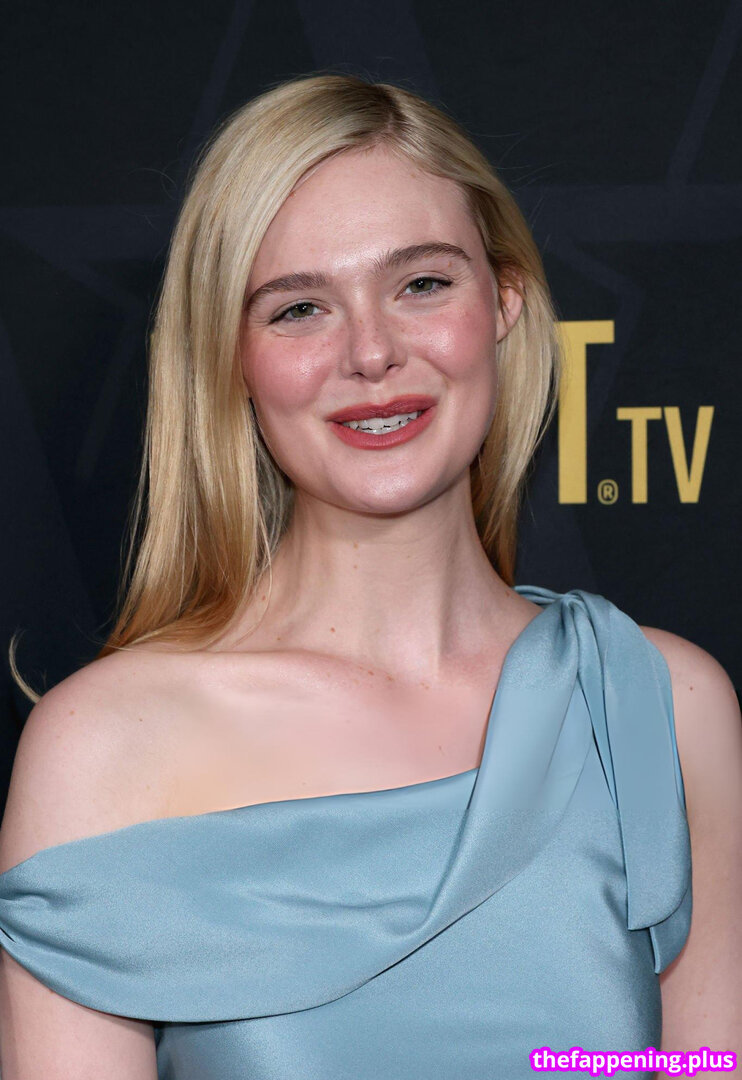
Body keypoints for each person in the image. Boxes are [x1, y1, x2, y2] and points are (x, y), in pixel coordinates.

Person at [0, 72, 740, 1080]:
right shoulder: (104, 747)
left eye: (421, 284)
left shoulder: (657, 706)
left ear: (505, 302)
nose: (372, 352)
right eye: (299, 308)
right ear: (229, 358)